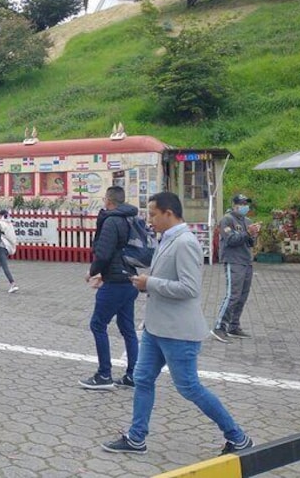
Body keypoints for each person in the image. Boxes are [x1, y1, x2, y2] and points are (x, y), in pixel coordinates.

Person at [102, 192, 253, 456]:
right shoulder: (167, 239)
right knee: (142, 378)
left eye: (153, 214)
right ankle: (137, 437)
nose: (149, 220)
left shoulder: (185, 242)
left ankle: (237, 437)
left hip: (178, 331)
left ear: (168, 213)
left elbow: (189, 288)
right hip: (156, 327)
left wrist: (150, 283)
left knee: (189, 386)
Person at [79, 186, 139, 390]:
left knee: (97, 324)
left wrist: (92, 272)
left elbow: (103, 254)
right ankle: (133, 375)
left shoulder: (112, 221)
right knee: (128, 329)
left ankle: (104, 374)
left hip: (114, 282)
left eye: (104, 198)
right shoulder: (130, 218)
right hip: (129, 278)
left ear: (109, 201)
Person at [211, 194, 260, 343]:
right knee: (233, 295)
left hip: (246, 261)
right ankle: (219, 327)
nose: (245, 206)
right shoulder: (227, 219)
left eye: (246, 203)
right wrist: (247, 233)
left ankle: (233, 325)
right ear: (234, 205)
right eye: (242, 203)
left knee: (242, 296)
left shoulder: (248, 221)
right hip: (234, 261)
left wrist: (255, 234)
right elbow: (231, 240)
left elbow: (251, 243)